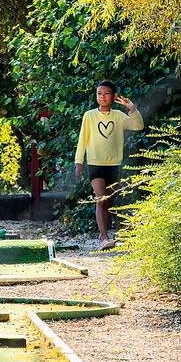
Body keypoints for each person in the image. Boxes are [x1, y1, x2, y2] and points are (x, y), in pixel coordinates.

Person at [74, 81, 143, 248]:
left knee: (109, 201)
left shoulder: (119, 116)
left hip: (114, 164)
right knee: (101, 199)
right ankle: (104, 237)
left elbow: (138, 126)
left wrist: (132, 109)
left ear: (113, 96)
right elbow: (82, 139)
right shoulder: (89, 115)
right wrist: (79, 162)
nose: (102, 97)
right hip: (95, 164)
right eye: (99, 93)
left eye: (106, 94)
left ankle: (105, 232)